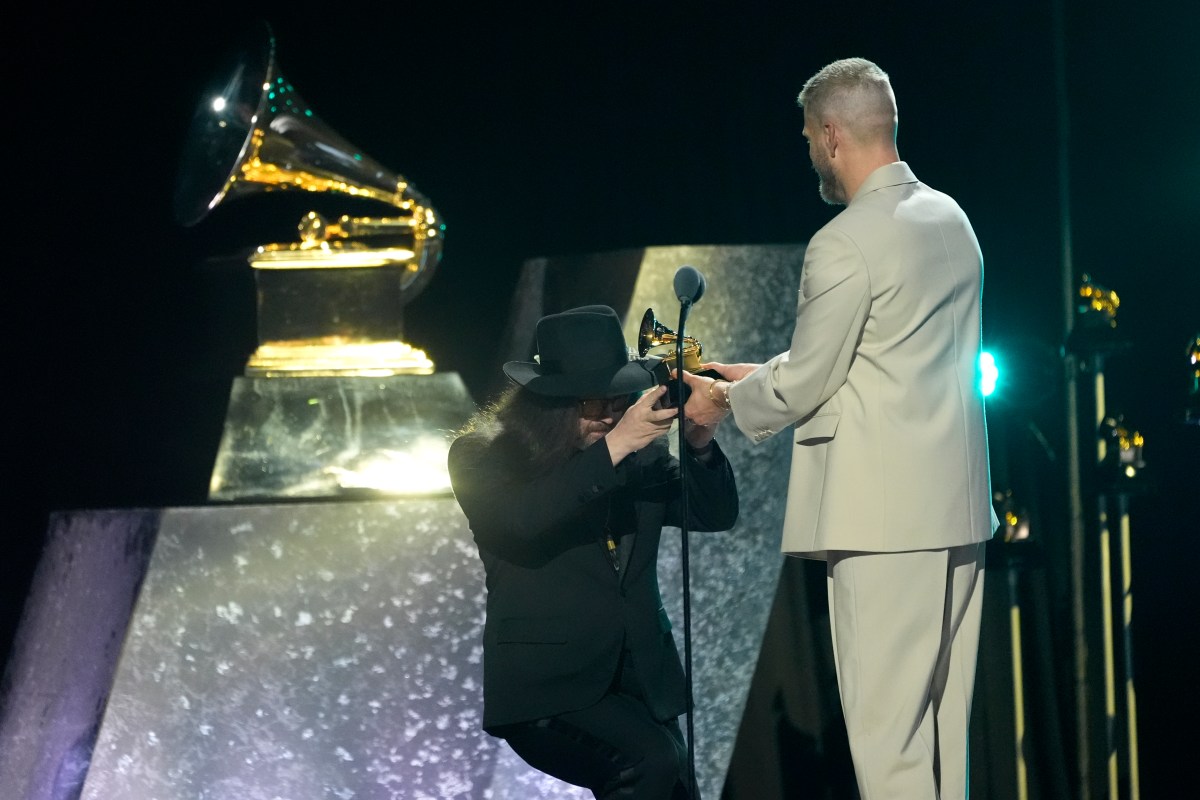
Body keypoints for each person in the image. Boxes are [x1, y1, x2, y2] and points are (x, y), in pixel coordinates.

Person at [681, 58, 999, 799]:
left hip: (883, 526)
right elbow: (882, 352)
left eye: (806, 138)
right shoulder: (950, 217)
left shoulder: (845, 239)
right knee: (941, 747)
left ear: (830, 135)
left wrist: (723, 401)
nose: (810, 153)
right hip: (955, 512)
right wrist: (757, 373)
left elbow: (810, 380)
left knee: (889, 748)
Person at [448, 305, 739, 799]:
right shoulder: (485, 455)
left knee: (674, 783)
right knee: (648, 762)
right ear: (551, 405)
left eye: (617, 400)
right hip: (550, 688)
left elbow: (712, 515)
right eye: (592, 404)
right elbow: (523, 520)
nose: (608, 414)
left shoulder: (638, 452)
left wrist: (700, 441)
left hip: (639, 676)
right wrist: (616, 447)